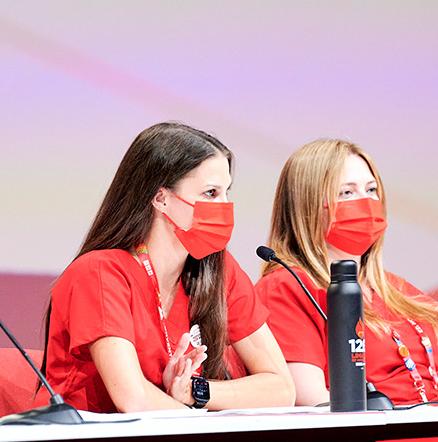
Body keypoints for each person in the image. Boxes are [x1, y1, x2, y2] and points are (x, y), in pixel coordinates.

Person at [44, 122, 295, 413]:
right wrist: (204, 433)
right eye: (211, 193)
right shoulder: (100, 272)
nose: (225, 205)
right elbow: (133, 398)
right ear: (161, 198)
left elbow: (282, 388)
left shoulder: (218, 268)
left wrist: (193, 392)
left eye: (227, 191)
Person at [256, 138, 438, 407]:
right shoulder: (287, 287)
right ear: (306, 205)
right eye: (347, 192)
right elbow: (311, 402)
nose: (365, 202)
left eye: (371, 189)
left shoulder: (400, 290)